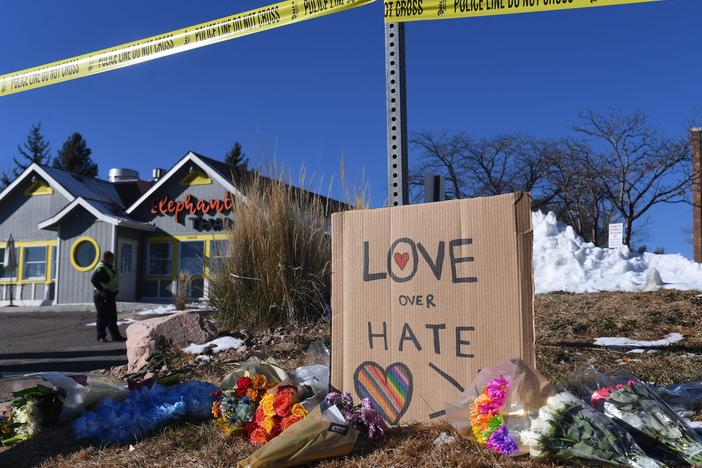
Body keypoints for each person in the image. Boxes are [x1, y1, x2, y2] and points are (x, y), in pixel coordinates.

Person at [91, 251, 127, 342]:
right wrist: (101, 291)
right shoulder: (101, 268)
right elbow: (94, 280)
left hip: (109, 295)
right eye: (112, 259)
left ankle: (116, 336)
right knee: (102, 317)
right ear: (107, 258)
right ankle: (101, 336)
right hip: (102, 296)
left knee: (112, 317)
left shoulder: (108, 268)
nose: (113, 260)